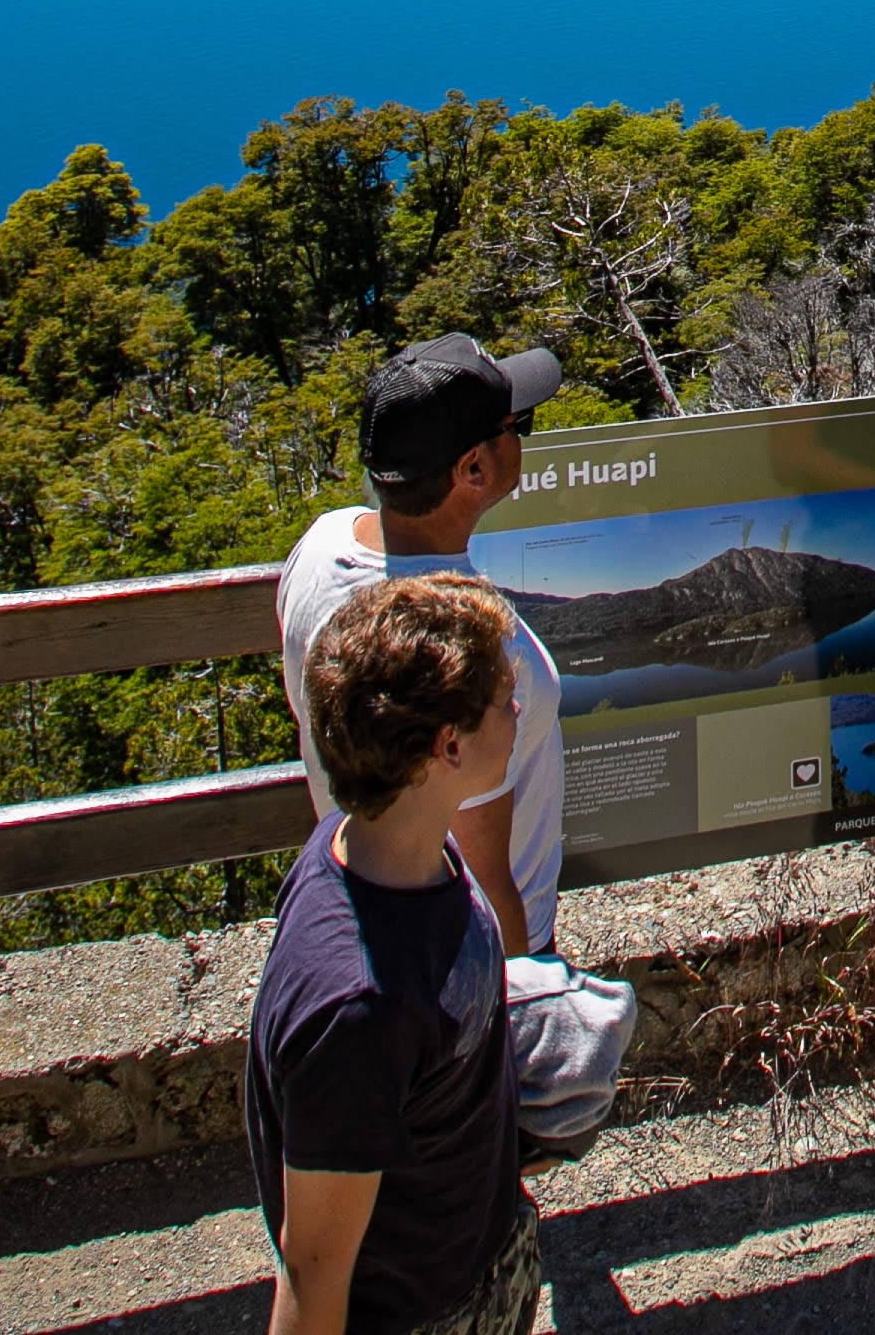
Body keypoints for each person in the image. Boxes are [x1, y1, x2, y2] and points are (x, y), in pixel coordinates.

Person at [249, 572, 539, 1335]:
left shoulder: (386, 846)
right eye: (503, 699)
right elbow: (312, 1272)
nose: (517, 711)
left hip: (476, 1256)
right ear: (449, 746)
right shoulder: (357, 1014)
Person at [280, 336, 572, 962]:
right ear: (473, 469)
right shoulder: (471, 651)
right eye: (516, 425)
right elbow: (480, 877)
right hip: (470, 954)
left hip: (364, 906)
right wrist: (523, 992)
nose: (522, 435)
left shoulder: (320, 545)